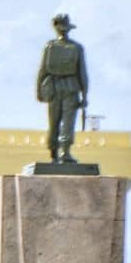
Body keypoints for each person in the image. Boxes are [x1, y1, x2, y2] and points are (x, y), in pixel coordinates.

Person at [35, 13, 89, 164]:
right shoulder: (55, 47)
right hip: (62, 87)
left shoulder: (69, 48)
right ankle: (57, 151)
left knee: (63, 121)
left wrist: (84, 95)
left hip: (64, 88)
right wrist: (84, 95)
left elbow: (81, 73)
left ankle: (62, 151)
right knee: (59, 121)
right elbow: (43, 70)